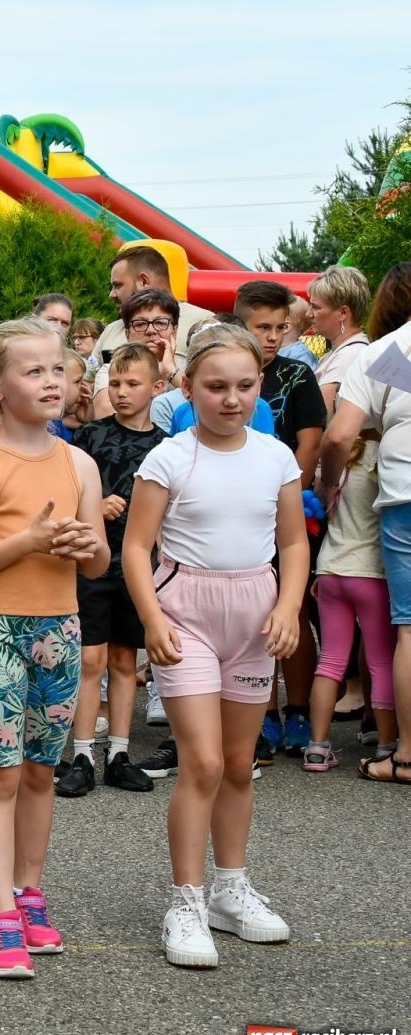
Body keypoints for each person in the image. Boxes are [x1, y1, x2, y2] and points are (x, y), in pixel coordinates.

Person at [122, 325, 305, 968]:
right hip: (187, 616)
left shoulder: (276, 456)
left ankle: (231, 887)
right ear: (187, 388)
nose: (232, 399)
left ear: (260, 386)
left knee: (236, 762)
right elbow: (137, 547)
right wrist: (151, 618)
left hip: (255, 618)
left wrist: (287, 605)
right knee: (199, 762)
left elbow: (293, 543)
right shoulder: (170, 457)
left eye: (245, 386)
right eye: (216, 387)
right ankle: (187, 900)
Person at [0, 320, 108, 979]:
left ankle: (30, 891)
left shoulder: (80, 463)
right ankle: (0, 913)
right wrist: (29, 542)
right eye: (33, 371)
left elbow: (97, 565)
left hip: (59, 632)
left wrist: (79, 547)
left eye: (57, 369)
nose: (50, 380)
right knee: (2, 773)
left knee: (41, 770)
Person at [58, 344, 165, 798]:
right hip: (92, 563)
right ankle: (82, 753)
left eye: (133, 384)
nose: (121, 393)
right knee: (89, 659)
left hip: (138, 567)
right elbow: (64, 493)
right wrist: (95, 507)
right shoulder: (89, 438)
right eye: (115, 384)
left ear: (157, 388)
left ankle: (119, 753)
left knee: (125, 660)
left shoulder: (167, 446)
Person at [319, 265, 411, 783]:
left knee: (409, 628)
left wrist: (328, 483)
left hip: (405, 494)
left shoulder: (384, 352)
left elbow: (339, 436)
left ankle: (403, 755)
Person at [236, 282, 327, 760]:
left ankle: (298, 709)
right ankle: (263, 712)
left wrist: (286, 494)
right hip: (239, 513)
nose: (271, 337)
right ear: (242, 324)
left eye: (279, 327)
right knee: (254, 616)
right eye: (261, 327)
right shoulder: (230, 372)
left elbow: (310, 442)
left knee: (292, 610)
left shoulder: (297, 375)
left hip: (286, 504)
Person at [305, 426, 393, 772]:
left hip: (330, 569)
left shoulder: (339, 461)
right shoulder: (385, 456)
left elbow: (320, 505)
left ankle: (317, 746)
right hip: (372, 572)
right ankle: (385, 745)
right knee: (381, 660)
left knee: (330, 661)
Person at [91, 246, 215, 419]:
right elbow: (96, 400)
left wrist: (171, 373)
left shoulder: (205, 324)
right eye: (139, 324)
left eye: (117, 285)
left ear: (143, 280)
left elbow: (214, 400)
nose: (111, 294)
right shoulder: (112, 329)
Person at [308, 265, 372, 411]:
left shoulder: (348, 356)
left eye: (315, 307)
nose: (308, 314)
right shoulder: (344, 351)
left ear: (343, 313)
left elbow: (321, 418)